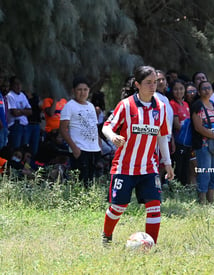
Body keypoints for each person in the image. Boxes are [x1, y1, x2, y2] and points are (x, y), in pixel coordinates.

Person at [101, 66, 174, 245]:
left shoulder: (162, 108)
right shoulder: (126, 105)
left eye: (155, 82)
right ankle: (107, 237)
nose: (152, 86)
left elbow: (162, 137)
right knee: (118, 207)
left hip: (148, 167)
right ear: (137, 84)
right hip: (124, 167)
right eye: (148, 82)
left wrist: (168, 163)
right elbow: (106, 127)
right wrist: (113, 136)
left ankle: (151, 245)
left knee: (154, 206)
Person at [59, 76, 101, 186]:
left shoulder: (91, 106)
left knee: (91, 181)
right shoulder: (69, 106)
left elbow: (94, 127)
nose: (82, 93)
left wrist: (99, 145)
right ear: (73, 91)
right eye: (79, 90)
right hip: (79, 149)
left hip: (94, 149)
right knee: (80, 181)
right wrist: (74, 148)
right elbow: (63, 129)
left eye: (85, 89)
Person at [191, 80, 214, 204]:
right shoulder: (197, 105)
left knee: (213, 173)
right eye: (204, 88)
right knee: (204, 173)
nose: (207, 90)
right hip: (203, 145)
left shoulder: (213, 104)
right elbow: (198, 127)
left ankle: (211, 201)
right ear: (199, 91)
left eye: (209, 88)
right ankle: (202, 202)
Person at [169, 79, 191, 186]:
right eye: (176, 89)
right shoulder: (172, 104)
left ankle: (184, 187)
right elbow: (177, 125)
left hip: (187, 141)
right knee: (179, 166)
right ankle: (175, 188)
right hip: (177, 141)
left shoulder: (186, 104)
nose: (179, 92)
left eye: (181, 89)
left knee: (186, 167)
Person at [6, 77, 32, 151]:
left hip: (25, 125)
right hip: (15, 125)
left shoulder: (22, 95)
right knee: (15, 149)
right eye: (16, 84)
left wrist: (20, 111)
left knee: (24, 149)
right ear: (12, 85)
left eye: (19, 84)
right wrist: (24, 111)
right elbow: (14, 113)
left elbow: (30, 111)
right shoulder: (10, 96)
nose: (18, 86)